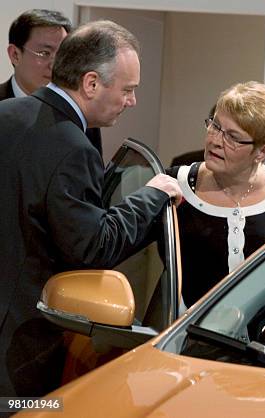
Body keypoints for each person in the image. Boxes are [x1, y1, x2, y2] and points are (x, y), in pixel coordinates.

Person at [0, 20, 182, 397]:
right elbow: (92, 247)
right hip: (17, 351)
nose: (131, 101)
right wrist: (152, 194)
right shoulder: (72, 148)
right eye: (128, 89)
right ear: (91, 84)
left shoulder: (7, 114)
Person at [168, 81, 265, 307]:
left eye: (232, 137)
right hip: (187, 334)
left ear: (262, 151)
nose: (215, 140)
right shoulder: (174, 185)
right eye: (215, 126)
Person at [1, 9, 103, 157]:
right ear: (15, 55)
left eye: (62, 54)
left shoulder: (80, 113)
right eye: (45, 53)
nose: (55, 65)